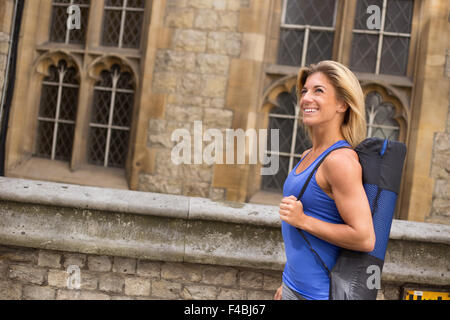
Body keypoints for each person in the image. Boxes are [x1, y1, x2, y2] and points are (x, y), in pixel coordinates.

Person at [274, 60, 376, 300]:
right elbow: (299, 239)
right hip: (293, 288)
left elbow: (364, 238)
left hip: (319, 295)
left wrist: (303, 220)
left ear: (342, 103)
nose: (307, 98)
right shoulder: (308, 155)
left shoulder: (339, 161)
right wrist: (286, 281)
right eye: (305, 91)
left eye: (318, 91)